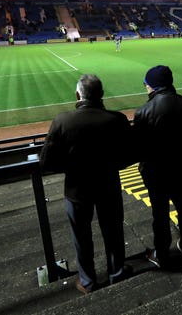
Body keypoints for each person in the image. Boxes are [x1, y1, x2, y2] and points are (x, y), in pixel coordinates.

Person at [39, 74, 134, 294]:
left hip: (76, 189)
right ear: (101, 95)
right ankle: (116, 272)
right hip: (108, 186)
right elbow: (130, 154)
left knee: (81, 237)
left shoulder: (62, 121)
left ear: (77, 95)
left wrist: (72, 166)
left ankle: (88, 281)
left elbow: (46, 162)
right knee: (113, 232)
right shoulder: (117, 119)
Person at [133, 65, 182, 269]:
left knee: (160, 214)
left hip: (156, 172)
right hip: (181, 167)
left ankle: (161, 253)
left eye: (146, 84)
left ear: (152, 86)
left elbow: (139, 147)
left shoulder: (143, 112)